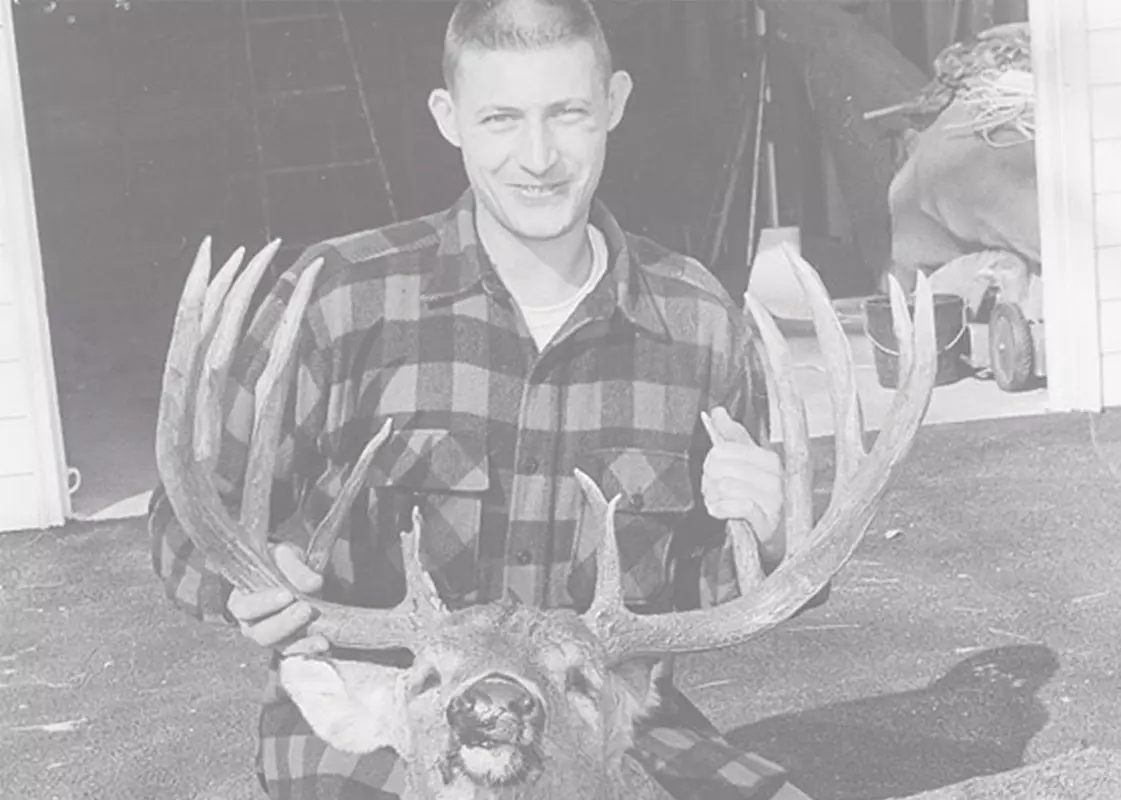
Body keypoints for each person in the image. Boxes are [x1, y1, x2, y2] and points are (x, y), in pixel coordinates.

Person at [149, 0, 822, 796]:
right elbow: (187, 518)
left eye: (567, 113)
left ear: (614, 103)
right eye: (501, 118)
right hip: (390, 709)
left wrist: (775, 539)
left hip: (587, 712)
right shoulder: (338, 302)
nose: (538, 157)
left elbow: (703, 588)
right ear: (449, 118)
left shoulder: (697, 322)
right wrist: (245, 581)